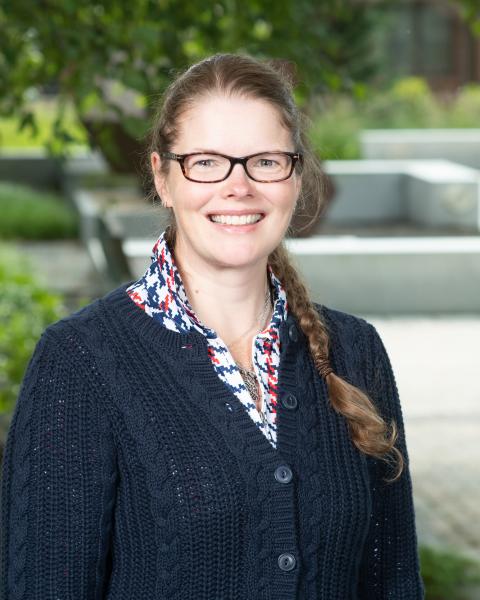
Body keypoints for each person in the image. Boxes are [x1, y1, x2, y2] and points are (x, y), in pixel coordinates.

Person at [0, 53, 424, 599]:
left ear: (297, 176)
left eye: (265, 161)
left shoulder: (354, 351)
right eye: (206, 162)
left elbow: (394, 583)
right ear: (162, 176)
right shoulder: (80, 361)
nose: (238, 185)